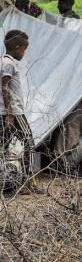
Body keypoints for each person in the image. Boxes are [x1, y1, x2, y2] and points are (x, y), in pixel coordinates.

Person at [0, 30, 40, 192]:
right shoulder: (9, 64)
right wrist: (10, 114)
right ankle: (28, 183)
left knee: (3, 145)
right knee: (29, 143)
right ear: (17, 47)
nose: (24, 53)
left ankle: (6, 182)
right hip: (14, 113)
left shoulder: (2, 61)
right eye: (24, 49)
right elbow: (5, 87)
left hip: (4, 112)